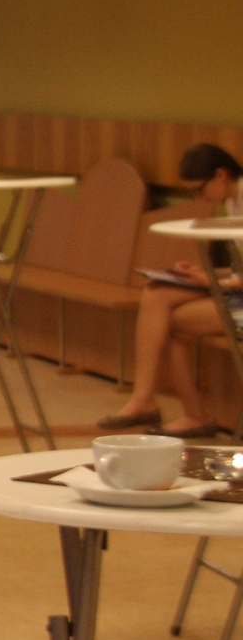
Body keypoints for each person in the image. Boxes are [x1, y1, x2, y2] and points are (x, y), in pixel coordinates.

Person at [100, 142, 243, 439]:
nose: (199, 198)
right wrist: (206, 274)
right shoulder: (234, 200)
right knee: (157, 293)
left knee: (166, 323)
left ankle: (192, 414)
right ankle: (143, 399)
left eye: (199, 190)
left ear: (221, 175)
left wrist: (217, 282)